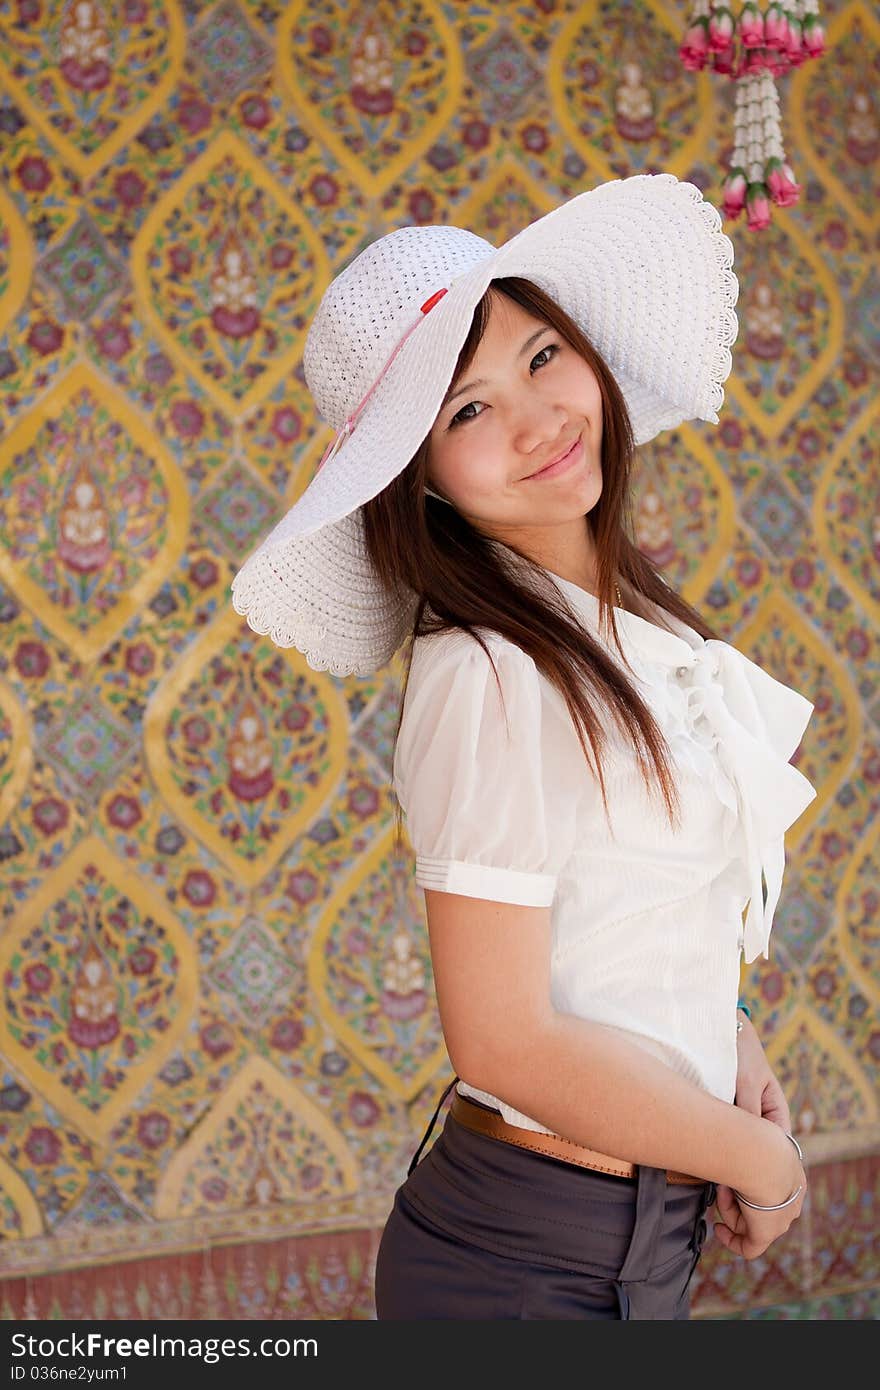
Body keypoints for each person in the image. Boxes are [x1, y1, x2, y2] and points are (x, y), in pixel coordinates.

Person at [231, 173, 817, 1320]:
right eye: (467, 410)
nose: (538, 418)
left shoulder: (630, 634)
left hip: (632, 1228)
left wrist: (728, 1047)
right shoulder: (489, 672)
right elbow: (504, 1037)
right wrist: (765, 1167)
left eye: (541, 356)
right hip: (527, 1251)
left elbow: (620, 931)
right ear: (424, 482)